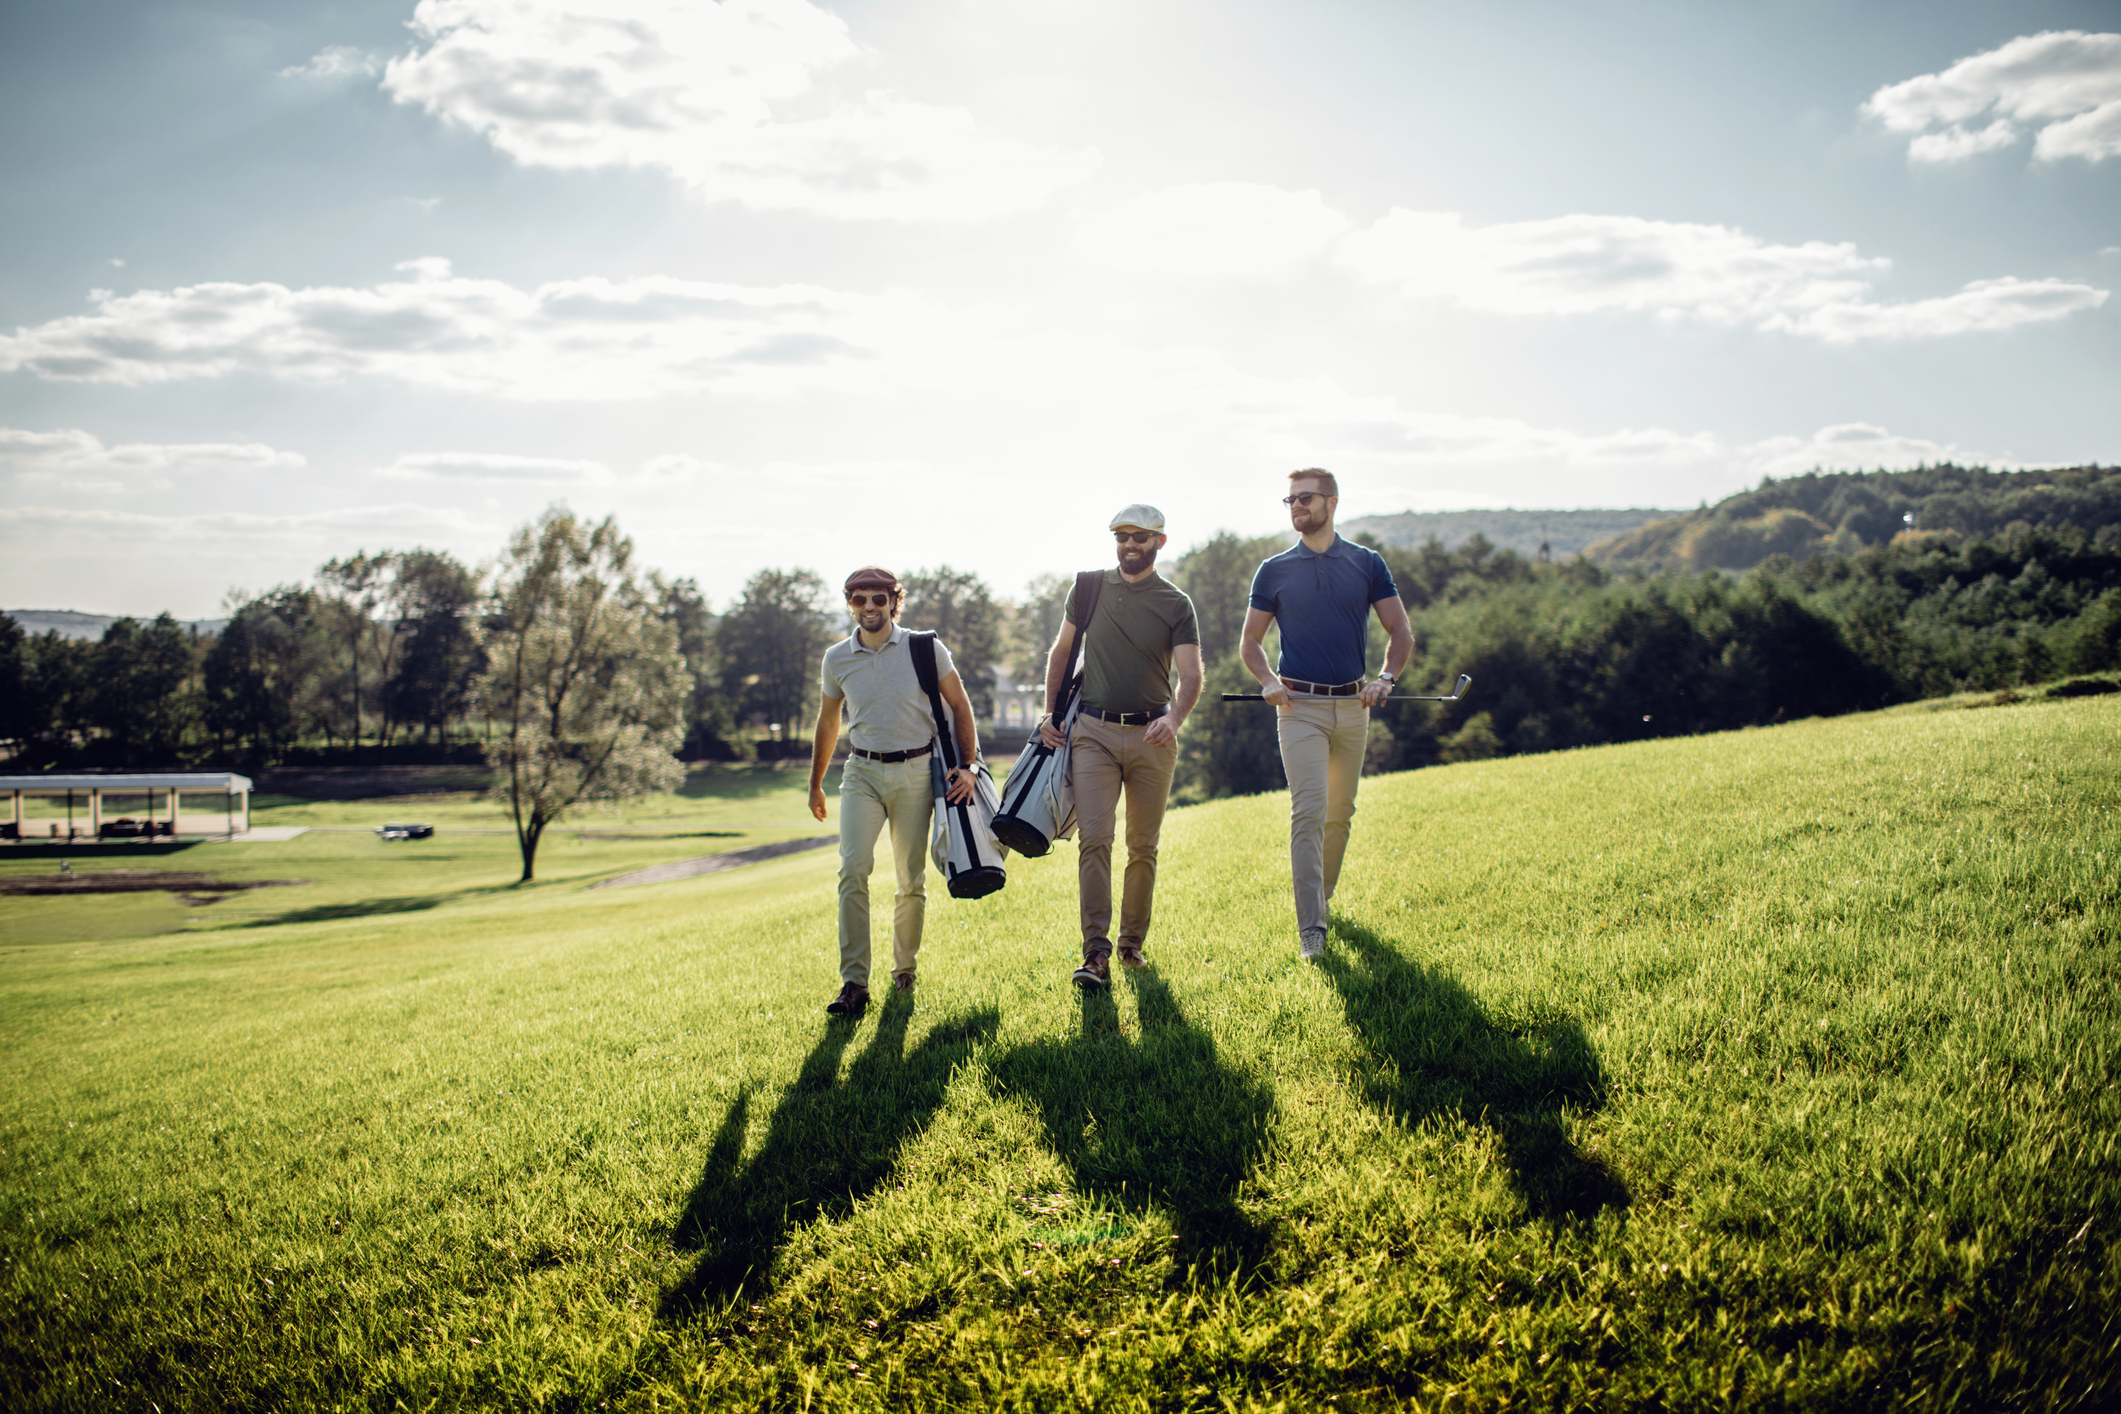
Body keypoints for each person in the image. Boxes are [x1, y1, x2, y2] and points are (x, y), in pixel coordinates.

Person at [1239, 469, 1415, 960]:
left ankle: (1324, 899)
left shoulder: (1366, 563)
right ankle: (1311, 928)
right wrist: (1269, 682)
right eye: (1290, 499)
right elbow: (1249, 642)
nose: (1297, 505)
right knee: (1309, 811)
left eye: (1306, 498)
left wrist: (1386, 679)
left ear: (1331, 502)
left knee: (1341, 813)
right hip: (1299, 709)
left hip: (1354, 705)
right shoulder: (1273, 570)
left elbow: (1399, 630)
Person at [1037, 505, 1204, 990]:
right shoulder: (1089, 587)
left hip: (1154, 735)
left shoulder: (1176, 603)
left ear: (1160, 542)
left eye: (1140, 537)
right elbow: (1062, 652)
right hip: (1093, 733)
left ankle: (1132, 945)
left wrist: (1175, 719)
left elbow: (1191, 675)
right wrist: (1050, 713)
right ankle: (1095, 955)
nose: (1130, 544)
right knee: (1094, 840)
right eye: (1122, 536)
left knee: (1142, 847)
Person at [808, 566, 980, 1017]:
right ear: (849, 603)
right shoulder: (836, 658)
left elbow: (960, 705)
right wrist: (815, 784)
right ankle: (854, 983)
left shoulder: (926, 648)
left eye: (878, 599)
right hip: (861, 772)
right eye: (859, 599)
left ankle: (904, 970)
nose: (869, 607)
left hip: (917, 772)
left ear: (893, 602)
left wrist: (968, 767)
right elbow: (828, 722)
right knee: (852, 871)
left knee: (910, 878)